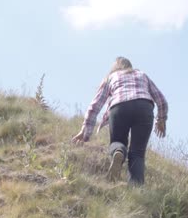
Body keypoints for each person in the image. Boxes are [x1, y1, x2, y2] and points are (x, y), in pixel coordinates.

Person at [72, 57, 168, 185]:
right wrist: (161, 120)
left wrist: (85, 131)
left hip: (119, 107)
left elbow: (95, 106)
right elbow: (161, 100)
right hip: (144, 107)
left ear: (115, 67)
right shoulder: (142, 74)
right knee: (138, 153)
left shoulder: (111, 77)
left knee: (117, 141)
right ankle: (136, 188)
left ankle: (118, 151)